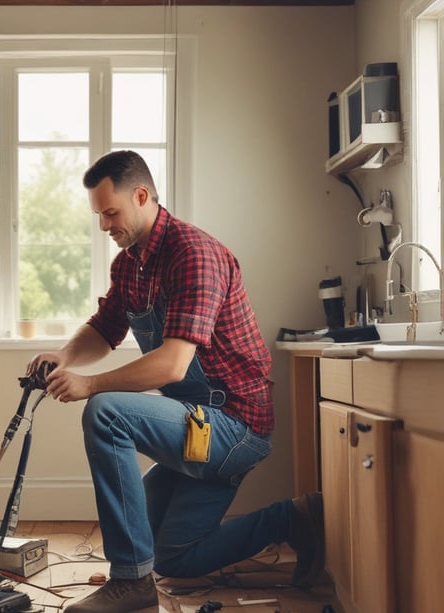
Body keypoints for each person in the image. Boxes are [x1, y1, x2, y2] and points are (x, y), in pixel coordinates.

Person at [26, 150, 324, 613]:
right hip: (196, 423)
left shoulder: (193, 253)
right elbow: (106, 328)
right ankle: (295, 518)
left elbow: (171, 366)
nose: (104, 225)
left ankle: (131, 583)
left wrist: (90, 385)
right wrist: (64, 356)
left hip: (233, 425)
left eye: (111, 212)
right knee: (174, 557)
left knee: (106, 411)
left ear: (141, 196)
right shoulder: (129, 264)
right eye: (98, 215)